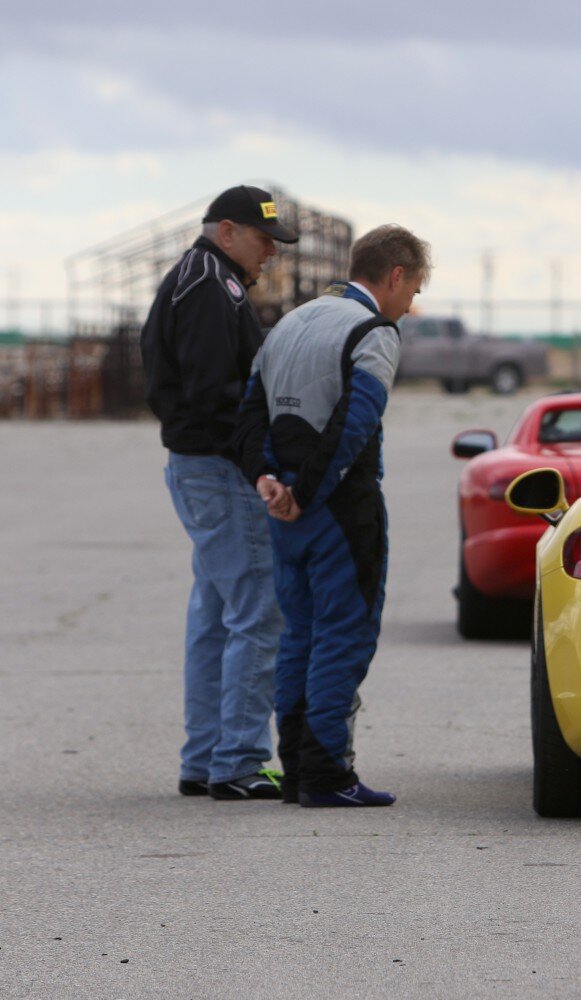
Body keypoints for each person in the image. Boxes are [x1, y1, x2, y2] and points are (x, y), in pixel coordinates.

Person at [233, 224, 429, 807]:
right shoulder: (374, 331)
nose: (411, 304)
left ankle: (295, 768)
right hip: (339, 510)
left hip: (284, 511)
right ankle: (327, 774)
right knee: (344, 635)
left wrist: (268, 482)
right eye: (413, 290)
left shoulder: (290, 322)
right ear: (395, 276)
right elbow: (354, 424)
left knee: (300, 635)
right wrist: (309, 492)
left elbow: (249, 414)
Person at [140, 184, 299, 800]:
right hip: (217, 467)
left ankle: (206, 757)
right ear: (227, 230)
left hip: (201, 464)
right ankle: (237, 760)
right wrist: (259, 462)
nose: (270, 254)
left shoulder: (204, 276)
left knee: (216, 615)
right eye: (264, 240)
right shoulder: (209, 284)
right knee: (259, 611)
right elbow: (214, 393)